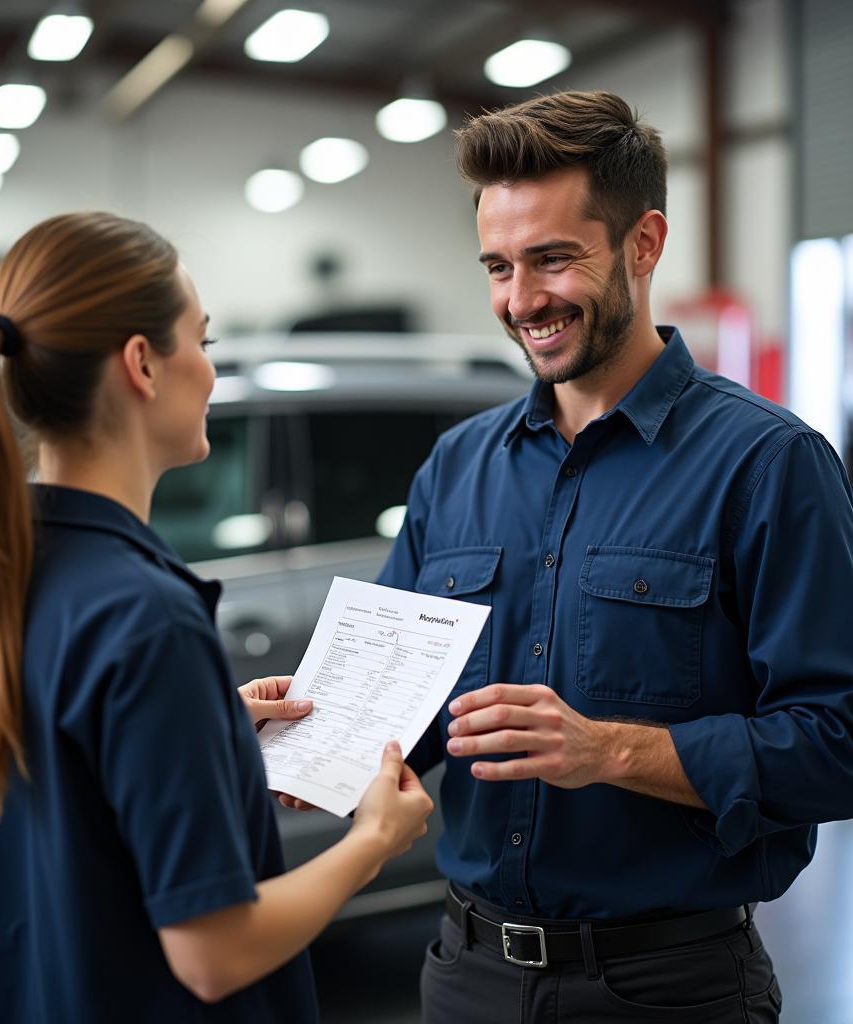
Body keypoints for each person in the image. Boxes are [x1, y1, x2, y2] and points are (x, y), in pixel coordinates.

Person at [374, 90, 853, 1021]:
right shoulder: (456, 467)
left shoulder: (767, 465)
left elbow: (840, 739)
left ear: (644, 243)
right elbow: (405, 707)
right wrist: (304, 742)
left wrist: (612, 751)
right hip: (465, 976)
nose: (521, 301)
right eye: (499, 267)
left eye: (553, 259)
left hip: (669, 990)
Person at [0, 211, 433, 1024]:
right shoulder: (147, 618)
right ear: (143, 366)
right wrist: (373, 839)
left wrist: (211, 728)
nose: (211, 370)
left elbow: (40, 835)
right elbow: (213, 954)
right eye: (205, 342)